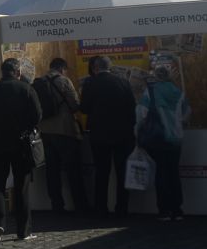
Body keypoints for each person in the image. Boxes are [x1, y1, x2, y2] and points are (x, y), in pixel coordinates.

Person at [0, 56, 43, 243]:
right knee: (22, 187)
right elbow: (38, 115)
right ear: (18, 72)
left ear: (2, 72)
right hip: (21, 145)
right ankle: (24, 230)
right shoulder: (26, 89)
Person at [80, 57, 137, 218]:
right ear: (109, 67)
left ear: (95, 68)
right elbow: (132, 108)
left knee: (102, 172)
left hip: (99, 134)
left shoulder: (90, 83)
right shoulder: (123, 82)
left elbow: (84, 108)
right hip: (123, 134)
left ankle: (101, 208)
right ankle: (122, 208)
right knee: (122, 172)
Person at [137, 66, 191, 221]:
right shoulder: (178, 91)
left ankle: (164, 210)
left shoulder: (151, 92)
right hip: (176, 138)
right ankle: (177, 209)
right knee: (173, 173)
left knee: (161, 173)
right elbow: (188, 112)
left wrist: (139, 129)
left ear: (157, 77)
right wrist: (179, 123)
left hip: (158, 138)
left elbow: (141, 113)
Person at [35, 57, 88, 214]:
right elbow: (74, 105)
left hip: (45, 131)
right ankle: (80, 205)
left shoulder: (39, 82)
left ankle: (57, 205)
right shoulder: (64, 81)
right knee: (73, 169)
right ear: (62, 69)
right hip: (64, 130)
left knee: (52, 170)